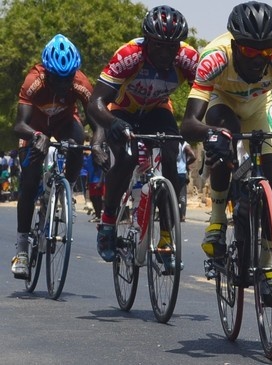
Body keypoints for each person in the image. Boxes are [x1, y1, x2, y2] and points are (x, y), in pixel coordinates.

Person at [180, 1, 272, 303]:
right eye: (249, 51)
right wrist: (211, 134)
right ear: (235, 45)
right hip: (222, 105)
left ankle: (266, 264)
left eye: (265, 50)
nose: (258, 58)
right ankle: (218, 221)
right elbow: (189, 122)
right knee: (224, 135)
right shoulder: (214, 58)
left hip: (260, 109)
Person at [88, 6, 199, 262]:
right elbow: (95, 103)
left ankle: (166, 235)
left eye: (172, 47)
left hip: (157, 109)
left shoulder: (188, 58)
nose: (166, 53)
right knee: (125, 160)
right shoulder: (129, 55)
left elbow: (207, 95)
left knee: (171, 158)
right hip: (122, 110)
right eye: (159, 46)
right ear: (147, 41)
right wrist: (112, 124)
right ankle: (107, 222)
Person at [10, 34, 105, 279]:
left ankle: (66, 191)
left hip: (65, 123)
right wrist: (35, 136)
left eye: (68, 78)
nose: (63, 84)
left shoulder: (80, 82)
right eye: (57, 78)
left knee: (77, 142)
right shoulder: (34, 80)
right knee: (29, 183)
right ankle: (21, 249)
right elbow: (19, 124)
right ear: (46, 72)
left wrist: (97, 144)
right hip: (35, 127)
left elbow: (97, 122)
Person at [177, 140, 196, 222]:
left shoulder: (182, 144)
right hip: (182, 172)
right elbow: (193, 156)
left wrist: (186, 163)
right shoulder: (183, 143)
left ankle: (178, 214)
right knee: (182, 195)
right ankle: (182, 215)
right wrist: (186, 164)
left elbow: (193, 156)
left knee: (175, 194)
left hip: (176, 171)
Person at [84, 152, 105, 223]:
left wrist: (100, 181)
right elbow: (88, 170)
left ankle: (98, 215)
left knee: (97, 198)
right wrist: (87, 181)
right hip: (91, 180)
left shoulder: (99, 156)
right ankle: (97, 214)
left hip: (97, 180)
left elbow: (103, 170)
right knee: (93, 198)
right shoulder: (90, 157)